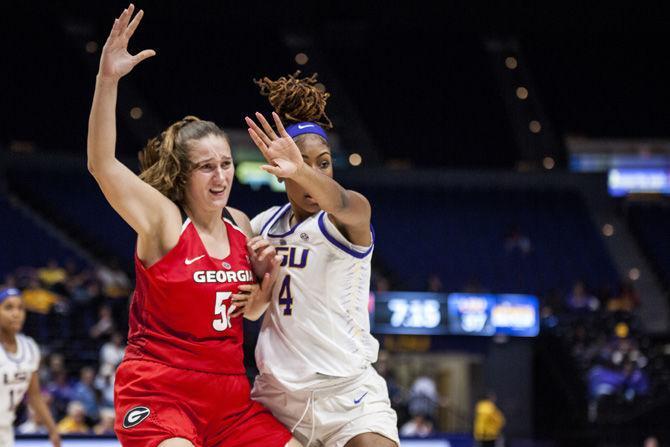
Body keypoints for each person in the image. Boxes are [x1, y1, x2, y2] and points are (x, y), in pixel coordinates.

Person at [87, 5, 300, 447]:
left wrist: (265, 287)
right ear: (183, 175)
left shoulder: (241, 225)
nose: (221, 176)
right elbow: (102, 163)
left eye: (225, 164)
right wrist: (108, 80)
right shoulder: (165, 220)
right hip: (162, 390)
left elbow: (252, 313)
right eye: (206, 167)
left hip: (228, 398)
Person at [245, 72, 400, 447]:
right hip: (278, 399)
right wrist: (256, 288)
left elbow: (342, 202)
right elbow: (251, 312)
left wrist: (300, 169)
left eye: (324, 163)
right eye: (302, 163)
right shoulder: (261, 226)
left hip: (349, 395)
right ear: (278, 170)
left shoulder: (348, 217)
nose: (315, 172)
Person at [0, 287, 60, 446]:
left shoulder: (29, 347)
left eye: (20, 308)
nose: (16, 313)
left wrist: (52, 429)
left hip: (5, 429)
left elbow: (34, 395)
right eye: (8, 307)